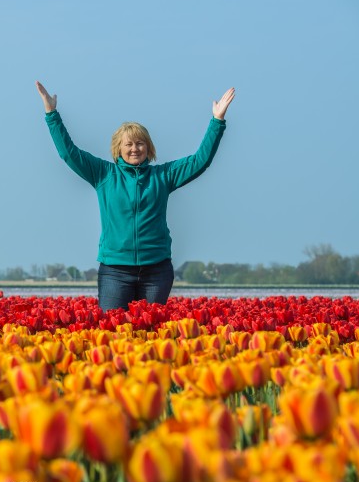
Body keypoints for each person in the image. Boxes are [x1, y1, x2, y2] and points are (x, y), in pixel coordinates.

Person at [36, 81, 235, 311]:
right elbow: (68, 153)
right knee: (112, 335)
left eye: (140, 143)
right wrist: (51, 114)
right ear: (118, 149)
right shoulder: (104, 174)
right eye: (128, 144)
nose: (134, 149)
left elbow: (200, 160)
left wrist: (217, 121)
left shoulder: (163, 175)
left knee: (151, 334)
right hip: (115, 271)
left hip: (156, 271)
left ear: (148, 147)